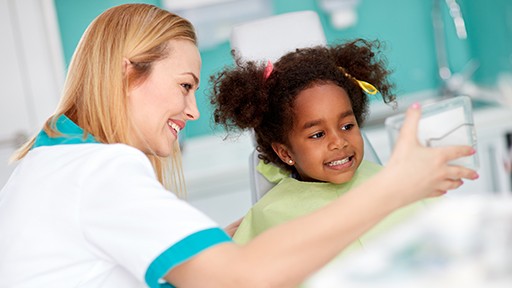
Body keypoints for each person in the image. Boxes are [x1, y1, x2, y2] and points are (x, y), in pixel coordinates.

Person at [0, 4, 478, 288]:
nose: (191, 111)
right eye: (185, 86)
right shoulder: (101, 171)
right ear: (129, 72)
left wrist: (218, 239)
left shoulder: (48, 162)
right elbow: (241, 277)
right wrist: (394, 185)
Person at [210, 40, 424, 246]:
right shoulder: (271, 215)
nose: (339, 142)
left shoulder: (386, 181)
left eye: (347, 126)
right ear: (285, 153)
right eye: (318, 135)